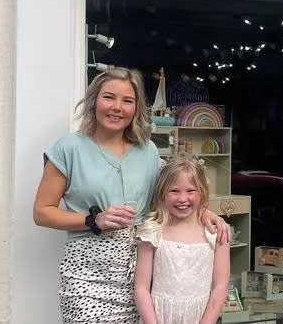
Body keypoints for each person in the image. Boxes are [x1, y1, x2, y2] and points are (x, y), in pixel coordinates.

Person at [33, 67, 229, 323]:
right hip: (87, 271)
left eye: (127, 101)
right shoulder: (68, 148)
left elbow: (171, 194)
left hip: (141, 273)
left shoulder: (147, 151)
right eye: (109, 97)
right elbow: (41, 212)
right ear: (94, 100)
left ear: (137, 108)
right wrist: (93, 220)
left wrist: (205, 213)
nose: (117, 107)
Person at [134, 154, 229, 324]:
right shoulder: (152, 232)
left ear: (202, 193)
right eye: (174, 191)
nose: (182, 199)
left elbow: (220, 286)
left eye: (191, 191)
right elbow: (141, 288)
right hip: (157, 318)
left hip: (199, 318)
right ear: (162, 193)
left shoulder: (216, 234)